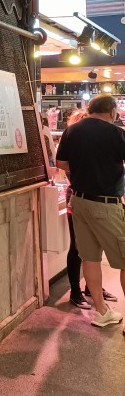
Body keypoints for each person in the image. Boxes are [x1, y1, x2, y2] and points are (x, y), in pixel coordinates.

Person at [56, 94, 125, 329]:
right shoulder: (116, 132)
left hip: (79, 202)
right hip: (106, 204)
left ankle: (102, 312)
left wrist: (81, 173)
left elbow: (61, 164)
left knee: (90, 258)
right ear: (112, 111)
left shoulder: (72, 131)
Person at [61, 110, 117, 309]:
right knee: (77, 247)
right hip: (76, 198)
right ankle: (75, 292)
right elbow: (66, 169)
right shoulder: (73, 142)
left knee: (94, 248)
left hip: (89, 200)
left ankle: (92, 288)